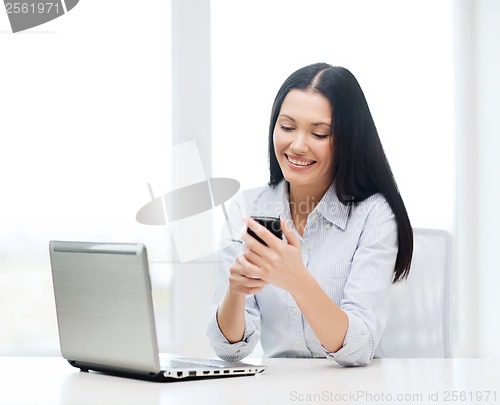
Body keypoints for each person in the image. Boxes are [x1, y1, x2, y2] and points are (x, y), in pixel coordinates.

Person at [206, 63, 413, 367]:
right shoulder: (248, 208)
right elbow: (230, 351)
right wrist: (236, 292)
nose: (298, 145)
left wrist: (296, 279)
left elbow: (359, 348)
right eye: (287, 127)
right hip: (277, 390)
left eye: (319, 133)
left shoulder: (374, 214)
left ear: (349, 140)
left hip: (355, 391)